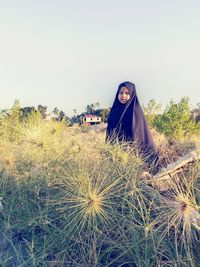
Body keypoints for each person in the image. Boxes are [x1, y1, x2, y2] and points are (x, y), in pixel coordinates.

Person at [105, 81, 160, 174]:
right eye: (121, 93)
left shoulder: (136, 112)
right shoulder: (114, 111)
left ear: (132, 94)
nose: (123, 95)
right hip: (117, 156)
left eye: (127, 93)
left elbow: (139, 137)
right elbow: (110, 133)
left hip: (134, 158)